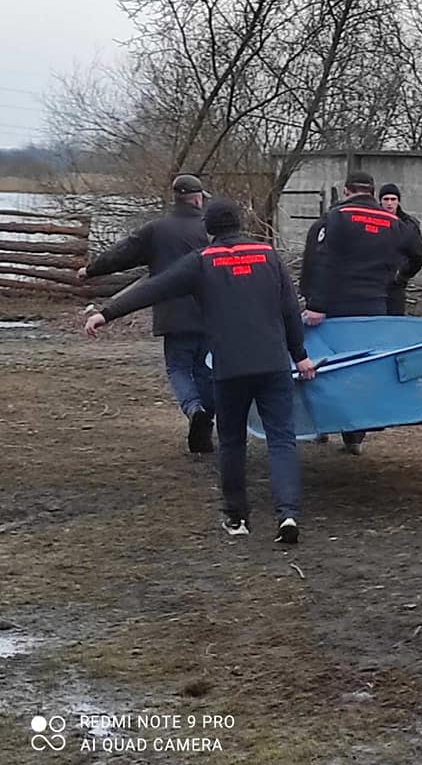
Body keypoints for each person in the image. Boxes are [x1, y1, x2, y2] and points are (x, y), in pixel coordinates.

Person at [84, 197, 316, 545]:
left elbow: (153, 287)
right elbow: (288, 311)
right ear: (239, 225)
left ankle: (237, 518)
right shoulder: (268, 256)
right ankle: (288, 515)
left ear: (209, 229)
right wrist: (300, 356)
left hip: (229, 367)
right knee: (281, 439)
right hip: (272, 364)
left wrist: (107, 312)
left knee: (233, 441)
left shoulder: (200, 262)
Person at [79, 174, 215, 454]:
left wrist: (92, 270)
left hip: (172, 312)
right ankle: (206, 421)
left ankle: (194, 409)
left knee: (178, 367)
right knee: (205, 369)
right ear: (198, 198)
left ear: (175, 198)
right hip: (210, 312)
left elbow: (122, 254)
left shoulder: (157, 230)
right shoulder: (210, 230)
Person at [303, 170, 411, 454]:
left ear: (347, 191)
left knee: (328, 366)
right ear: (373, 193)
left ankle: (325, 423)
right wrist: (393, 280)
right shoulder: (394, 223)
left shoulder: (338, 217)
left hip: (339, 305)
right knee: (363, 367)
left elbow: (323, 261)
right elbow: (414, 253)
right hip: (374, 304)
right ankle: (356, 432)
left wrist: (315, 303)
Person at [378, 183, 422, 316]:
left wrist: (403, 274)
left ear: (398, 201)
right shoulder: (373, 220)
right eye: (386, 199)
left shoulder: (408, 225)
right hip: (374, 282)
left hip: (395, 283)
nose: (389, 203)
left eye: (393, 199)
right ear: (380, 201)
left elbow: (419, 253)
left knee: (394, 320)